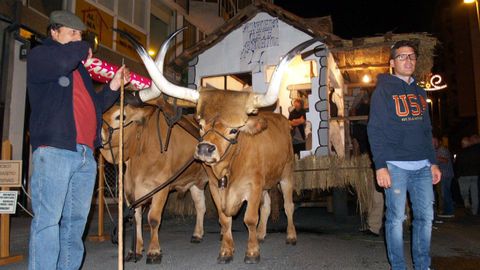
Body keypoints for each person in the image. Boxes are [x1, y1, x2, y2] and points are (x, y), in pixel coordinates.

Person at [27, 10, 130, 270]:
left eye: (80, 35)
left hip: (84, 155)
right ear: (54, 31)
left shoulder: (79, 71)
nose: (77, 39)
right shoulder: (41, 56)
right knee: (48, 221)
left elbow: (94, 107)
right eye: (72, 32)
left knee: (75, 225)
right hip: (55, 151)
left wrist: (113, 86)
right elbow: (65, 61)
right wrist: (85, 46)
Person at [367, 40, 441, 270]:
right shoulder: (383, 90)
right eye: (402, 56)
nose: (408, 60)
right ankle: (398, 266)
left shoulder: (420, 91)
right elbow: (375, 128)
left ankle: (422, 265)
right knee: (396, 219)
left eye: (411, 56)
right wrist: (380, 165)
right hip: (395, 165)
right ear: (392, 63)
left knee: (425, 218)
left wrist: (433, 162)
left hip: (422, 166)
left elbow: (426, 130)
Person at [454, 136, 480, 216]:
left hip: (464, 176)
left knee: (464, 192)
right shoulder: (476, 151)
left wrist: (457, 175)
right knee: (474, 193)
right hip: (474, 175)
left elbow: (458, 165)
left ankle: (467, 203)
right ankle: (474, 211)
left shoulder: (461, 152)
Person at [433, 136, 455, 218]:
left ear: (439, 142)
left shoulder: (442, 149)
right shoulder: (437, 150)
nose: (433, 143)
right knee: (443, 193)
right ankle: (447, 211)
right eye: (432, 142)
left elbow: (445, 160)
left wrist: (434, 158)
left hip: (445, 175)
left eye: (435, 142)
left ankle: (449, 211)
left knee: (445, 193)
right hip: (444, 175)